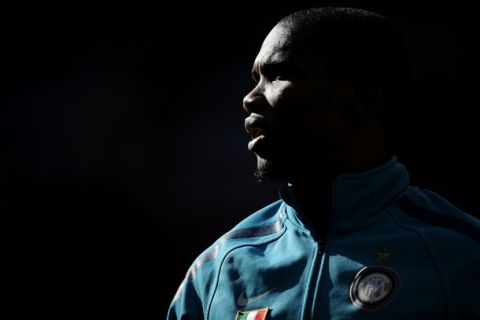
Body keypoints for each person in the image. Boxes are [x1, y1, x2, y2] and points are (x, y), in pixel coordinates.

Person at [167, 7, 480, 319]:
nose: (249, 98)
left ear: (361, 98)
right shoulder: (217, 271)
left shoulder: (461, 255)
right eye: (256, 78)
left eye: (279, 74)